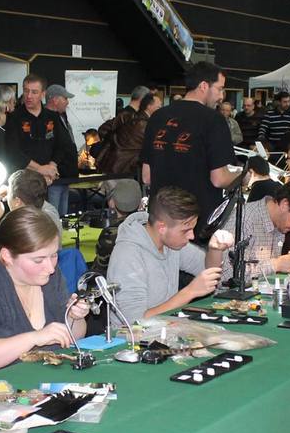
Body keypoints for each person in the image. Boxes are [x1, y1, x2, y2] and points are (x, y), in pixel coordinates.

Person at [0, 207, 89, 372]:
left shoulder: (50, 277)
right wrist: (34, 338)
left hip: (42, 377)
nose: (50, 268)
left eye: (53, 255)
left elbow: (73, 337)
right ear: (7, 256)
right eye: (38, 260)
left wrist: (74, 317)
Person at [107, 187, 234, 320]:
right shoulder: (127, 256)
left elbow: (209, 271)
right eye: (185, 230)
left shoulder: (171, 243)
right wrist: (190, 292)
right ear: (162, 228)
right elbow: (134, 321)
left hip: (166, 326)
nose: (191, 236)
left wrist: (215, 249)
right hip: (133, 332)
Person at [141, 62, 238, 218]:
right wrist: (243, 177)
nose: (221, 96)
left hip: (161, 216)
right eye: (220, 89)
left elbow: (147, 176)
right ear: (204, 86)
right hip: (196, 219)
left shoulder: (157, 117)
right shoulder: (214, 120)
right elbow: (219, 179)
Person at [219, 180, 290, 284]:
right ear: (285, 205)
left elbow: (262, 264)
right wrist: (277, 264)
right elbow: (227, 274)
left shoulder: (279, 222)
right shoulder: (245, 219)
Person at [6, 75, 74, 218]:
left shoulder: (52, 116)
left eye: (34, 92)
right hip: (24, 182)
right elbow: (13, 152)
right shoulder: (14, 117)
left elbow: (62, 145)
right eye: (26, 91)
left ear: (43, 94)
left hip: (50, 178)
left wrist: (52, 166)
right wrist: (40, 169)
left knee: (55, 218)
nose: (29, 96)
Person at [0, 168, 63, 235]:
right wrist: (13, 192)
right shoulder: (51, 212)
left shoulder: (15, 227)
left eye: (9, 191)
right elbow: (34, 195)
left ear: (18, 201)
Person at [97, 91, 158, 176]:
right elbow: (103, 129)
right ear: (148, 106)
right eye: (158, 106)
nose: (161, 108)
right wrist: (116, 141)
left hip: (115, 166)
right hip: (122, 169)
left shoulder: (135, 119)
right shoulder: (133, 119)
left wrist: (115, 141)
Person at [91, 179, 143, 278]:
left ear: (112, 203)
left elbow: (99, 269)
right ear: (140, 204)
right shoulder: (149, 227)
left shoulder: (109, 234)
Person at [44, 84, 82, 213]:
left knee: (62, 214)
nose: (67, 102)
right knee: (53, 213)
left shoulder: (61, 116)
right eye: (65, 98)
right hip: (55, 176)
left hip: (65, 175)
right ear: (55, 100)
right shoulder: (46, 118)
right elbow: (50, 145)